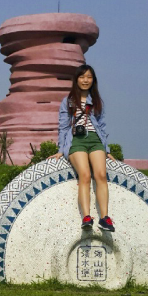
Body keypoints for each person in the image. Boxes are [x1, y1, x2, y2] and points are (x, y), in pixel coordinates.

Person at [49, 64, 116, 232]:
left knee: (101, 174)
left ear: (93, 80)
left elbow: (102, 126)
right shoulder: (68, 101)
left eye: (89, 77)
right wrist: (60, 149)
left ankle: (105, 218)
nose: (85, 80)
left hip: (95, 140)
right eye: (82, 77)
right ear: (76, 79)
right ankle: (86, 217)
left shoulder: (97, 101)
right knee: (85, 174)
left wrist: (106, 150)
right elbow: (63, 127)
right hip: (77, 141)